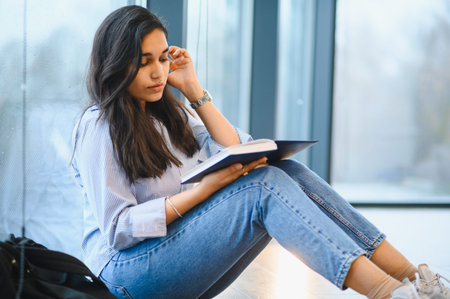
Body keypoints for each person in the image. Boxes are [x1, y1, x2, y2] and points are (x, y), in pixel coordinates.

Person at [71, 5, 449, 299]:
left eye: (161, 59)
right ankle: (387, 294)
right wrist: (204, 190)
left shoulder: (169, 112)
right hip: (125, 276)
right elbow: (119, 229)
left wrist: (193, 89)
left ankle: (415, 280)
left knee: (285, 171)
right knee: (263, 186)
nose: (158, 73)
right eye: (143, 63)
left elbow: (240, 150)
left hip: (169, 257)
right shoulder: (99, 124)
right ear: (117, 64)